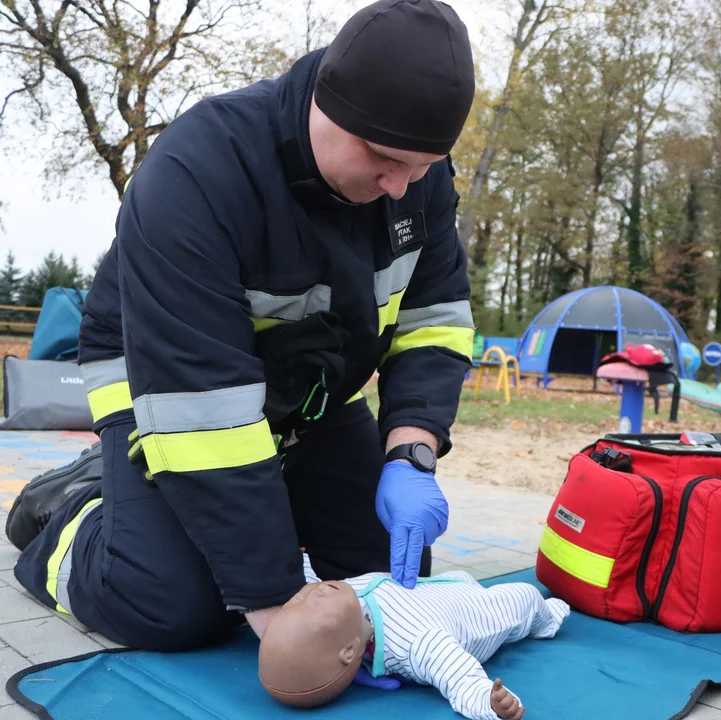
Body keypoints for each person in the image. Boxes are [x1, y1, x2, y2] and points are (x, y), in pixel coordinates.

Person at [4, 0, 477, 657]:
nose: (401, 187)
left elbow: (435, 318)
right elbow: (201, 406)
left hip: (310, 393)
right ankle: (71, 516)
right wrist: (274, 603)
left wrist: (412, 452)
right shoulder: (197, 173)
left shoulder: (416, 180)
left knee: (391, 579)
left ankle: (251, 488)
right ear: (327, 104)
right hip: (162, 385)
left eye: (423, 166)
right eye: (385, 159)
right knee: (180, 609)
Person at [257, 555, 570, 719]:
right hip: (478, 613)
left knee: (461, 576)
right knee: (525, 596)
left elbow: (307, 574)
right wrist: (489, 703)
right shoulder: (416, 645)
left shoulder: (344, 603)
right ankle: (549, 619)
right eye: (314, 606)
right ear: (350, 650)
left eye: (296, 598)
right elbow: (459, 677)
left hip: (440, 585)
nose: (314, 592)